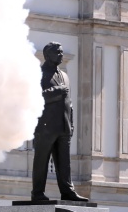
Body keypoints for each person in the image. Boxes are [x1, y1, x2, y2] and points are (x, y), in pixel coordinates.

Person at [31, 42, 88, 203]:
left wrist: (71, 123)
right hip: (45, 127)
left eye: (62, 52)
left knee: (64, 163)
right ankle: (37, 193)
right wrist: (57, 92)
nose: (61, 55)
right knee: (41, 160)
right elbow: (37, 97)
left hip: (64, 126)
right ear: (47, 55)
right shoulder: (39, 74)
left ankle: (67, 191)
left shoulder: (65, 76)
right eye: (58, 52)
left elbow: (69, 103)